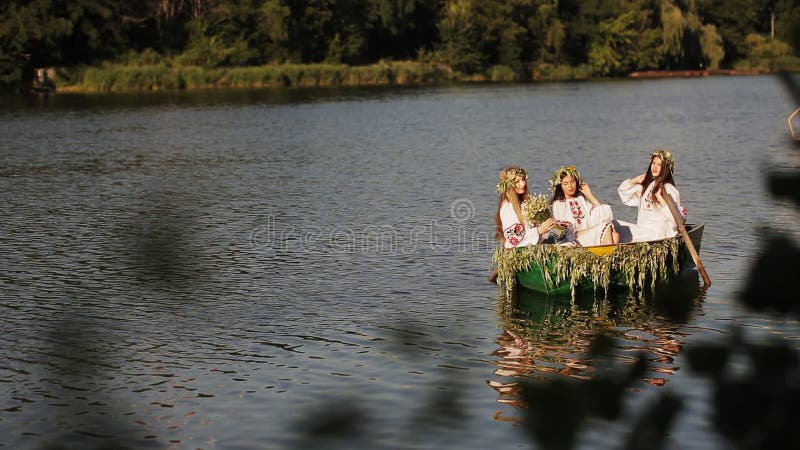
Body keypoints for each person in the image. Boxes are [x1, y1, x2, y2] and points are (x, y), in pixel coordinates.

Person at [617, 149, 687, 242]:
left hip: (658, 234)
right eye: (653, 163)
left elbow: (677, 220)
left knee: (620, 232)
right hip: (643, 230)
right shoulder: (648, 186)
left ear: (665, 168)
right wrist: (635, 180)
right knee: (613, 225)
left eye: (659, 165)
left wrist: (661, 200)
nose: (655, 167)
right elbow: (624, 194)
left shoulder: (669, 189)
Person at [549, 165, 620, 246]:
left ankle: (606, 254)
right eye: (565, 184)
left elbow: (604, 217)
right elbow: (562, 232)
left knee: (615, 235)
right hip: (574, 238)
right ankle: (607, 255)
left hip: (588, 234)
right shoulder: (558, 204)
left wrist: (589, 195)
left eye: (572, 182)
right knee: (606, 226)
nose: (570, 186)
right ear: (560, 186)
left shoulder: (581, 200)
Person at [495, 166, 556, 248]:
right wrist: (538, 231)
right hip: (516, 254)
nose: (523, 183)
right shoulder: (508, 207)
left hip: (530, 250)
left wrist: (548, 227)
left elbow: (533, 235)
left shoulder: (524, 204)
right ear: (509, 185)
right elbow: (514, 240)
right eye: (517, 181)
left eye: (523, 179)